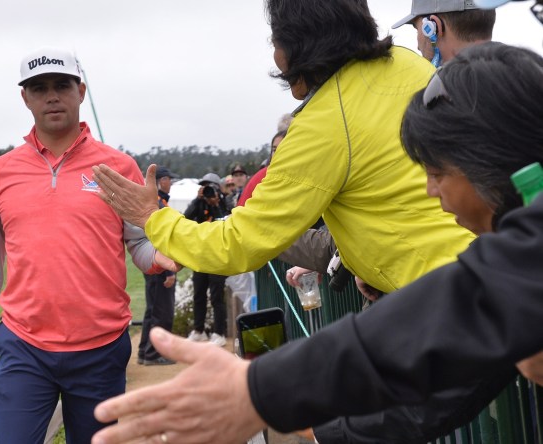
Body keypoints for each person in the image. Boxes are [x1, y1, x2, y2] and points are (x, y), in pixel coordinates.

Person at [91, 42, 543, 444]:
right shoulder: (406, 64)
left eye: (438, 171)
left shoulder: (519, 264)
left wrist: (259, 393)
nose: (428, 191)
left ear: (497, 164)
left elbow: (420, 325)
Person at [94, 0, 473, 302]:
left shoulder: (322, 124)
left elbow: (239, 244)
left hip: (441, 299)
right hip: (492, 264)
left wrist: (152, 218)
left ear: (298, 45)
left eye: (275, 39)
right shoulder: (409, 62)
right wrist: (369, 266)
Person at [0, 47, 174, 444]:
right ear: (25, 98)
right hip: (25, 346)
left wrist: (159, 257)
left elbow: (140, 245)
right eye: (39, 88)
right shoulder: (2, 171)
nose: (52, 96)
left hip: (100, 349)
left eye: (62, 85)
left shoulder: (118, 166)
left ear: (81, 91)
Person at [137, 166, 179, 366]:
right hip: (159, 265)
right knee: (161, 310)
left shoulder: (158, 202)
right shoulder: (159, 204)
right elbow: (163, 240)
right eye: (169, 179)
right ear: (161, 181)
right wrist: (170, 271)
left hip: (151, 263)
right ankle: (153, 353)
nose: (170, 183)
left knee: (152, 308)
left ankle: (144, 351)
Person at [183, 178, 228, 347]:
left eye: (209, 187)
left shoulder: (223, 202)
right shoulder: (199, 204)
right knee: (199, 294)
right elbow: (186, 218)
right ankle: (198, 330)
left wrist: (216, 204)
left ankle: (219, 332)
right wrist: (197, 200)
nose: (206, 190)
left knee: (217, 296)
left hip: (217, 255)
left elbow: (225, 221)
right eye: (203, 187)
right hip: (201, 255)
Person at [392, 0, 496, 67]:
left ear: (435, 26)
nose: (418, 47)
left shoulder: (436, 96)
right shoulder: (510, 81)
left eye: (417, 29)